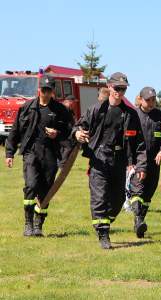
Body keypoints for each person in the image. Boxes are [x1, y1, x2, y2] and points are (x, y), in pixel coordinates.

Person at [73, 72, 146, 249]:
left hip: (119, 160)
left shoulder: (130, 114)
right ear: (110, 87)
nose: (120, 92)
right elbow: (78, 126)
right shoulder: (96, 109)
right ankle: (103, 233)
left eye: (123, 89)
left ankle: (105, 222)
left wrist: (141, 164)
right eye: (117, 88)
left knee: (118, 198)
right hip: (99, 158)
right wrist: (77, 133)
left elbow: (140, 142)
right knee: (100, 196)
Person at [5, 76, 71, 237]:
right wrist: (9, 152)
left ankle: (38, 224)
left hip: (50, 153)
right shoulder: (27, 107)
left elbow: (70, 130)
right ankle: (28, 223)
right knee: (31, 185)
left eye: (49, 90)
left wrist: (58, 133)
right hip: (31, 152)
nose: (46, 93)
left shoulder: (60, 110)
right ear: (39, 90)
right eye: (44, 90)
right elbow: (15, 130)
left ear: (52, 92)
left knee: (45, 190)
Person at [129, 87, 161, 237]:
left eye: (153, 99)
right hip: (137, 161)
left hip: (155, 161)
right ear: (140, 99)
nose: (151, 102)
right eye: (148, 100)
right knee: (137, 190)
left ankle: (139, 221)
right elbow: (126, 138)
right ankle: (138, 219)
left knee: (148, 194)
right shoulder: (132, 115)